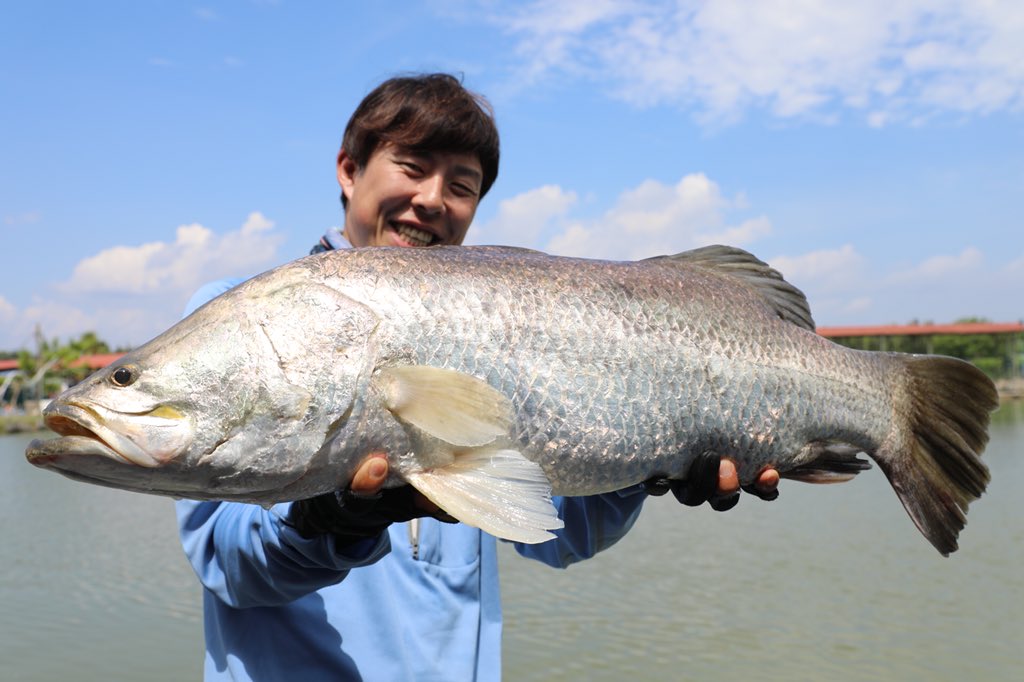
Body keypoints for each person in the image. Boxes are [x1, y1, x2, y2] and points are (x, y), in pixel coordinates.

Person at [176, 73, 780, 681]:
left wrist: (639, 467)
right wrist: (320, 520)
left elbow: (562, 534)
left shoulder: (495, 327)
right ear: (349, 169)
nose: (434, 199)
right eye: (411, 166)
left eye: (461, 185)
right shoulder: (235, 314)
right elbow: (230, 565)